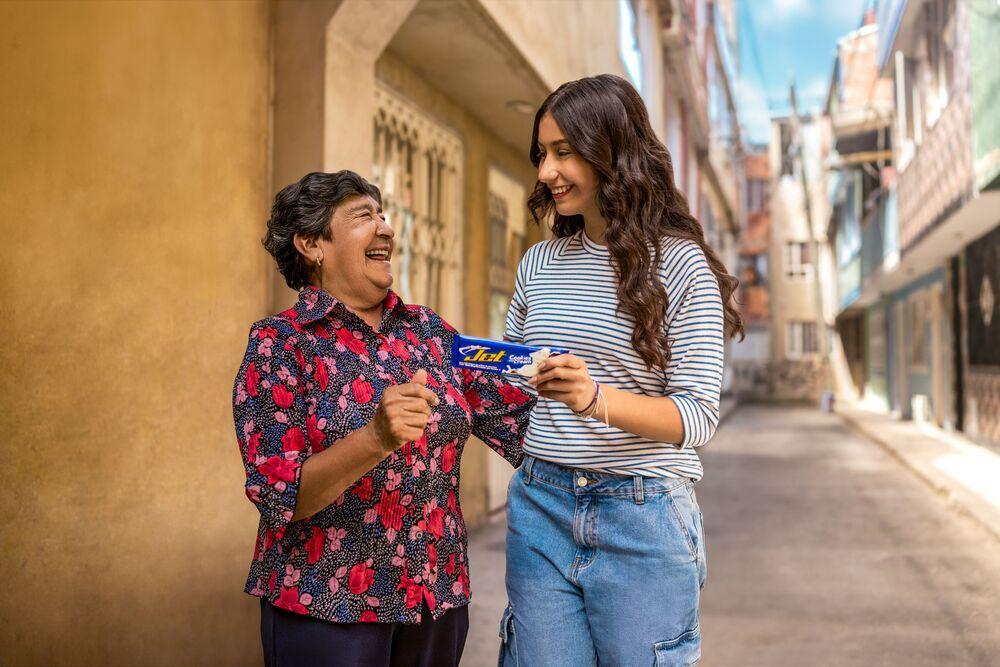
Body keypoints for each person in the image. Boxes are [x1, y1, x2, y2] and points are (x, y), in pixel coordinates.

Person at [232, 170, 533, 667]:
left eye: (384, 215)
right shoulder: (279, 345)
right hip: (325, 607)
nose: (386, 228)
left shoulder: (431, 332)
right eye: (363, 216)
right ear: (312, 244)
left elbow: (519, 427)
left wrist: (583, 394)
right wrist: (375, 436)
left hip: (435, 599)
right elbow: (279, 497)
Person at [499, 75, 744, 666]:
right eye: (542, 155)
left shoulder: (682, 267)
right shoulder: (539, 263)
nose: (546, 173)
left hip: (644, 515)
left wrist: (593, 398)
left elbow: (696, 417)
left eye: (563, 152)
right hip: (542, 503)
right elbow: (512, 376)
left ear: (613, 153)